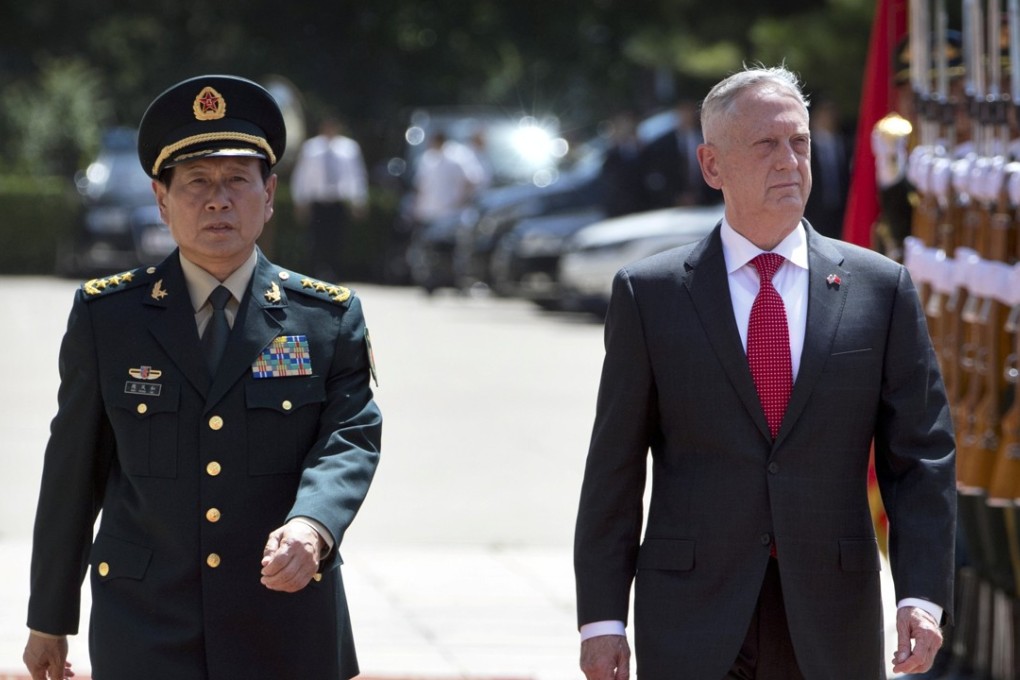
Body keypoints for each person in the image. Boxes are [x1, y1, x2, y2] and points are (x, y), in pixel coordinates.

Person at [573, 65, 956, 680]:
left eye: (799, 142)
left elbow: (920, 457)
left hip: (830, 616)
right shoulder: (652, 294)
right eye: (765, 144)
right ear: (711, 166)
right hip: (691, 615)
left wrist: (921, 595)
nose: (789, 161)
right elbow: (614, 466)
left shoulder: (880, 289)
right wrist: (602, 620)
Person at [23, 75, 382, 680]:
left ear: (269, 194)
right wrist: (48, 617)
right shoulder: (109, 317)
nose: (218, 200)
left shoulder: (325, 318)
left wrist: (313, 525)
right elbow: (72, 473)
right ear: (162, 200)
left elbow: (349, 435)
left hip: (283, 616)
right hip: (145, 621)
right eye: (196, 181)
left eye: (237, 179)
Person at [291, 114, 369, 281]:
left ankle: (334, 275)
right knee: (315, 240)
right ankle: (313, 275)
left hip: (338, 202)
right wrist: (300, 201)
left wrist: (359, 200)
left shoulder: (349, 148)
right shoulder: (311, 148)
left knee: (337, 240)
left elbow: (357, 174)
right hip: (318, 202)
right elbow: (302, 175)